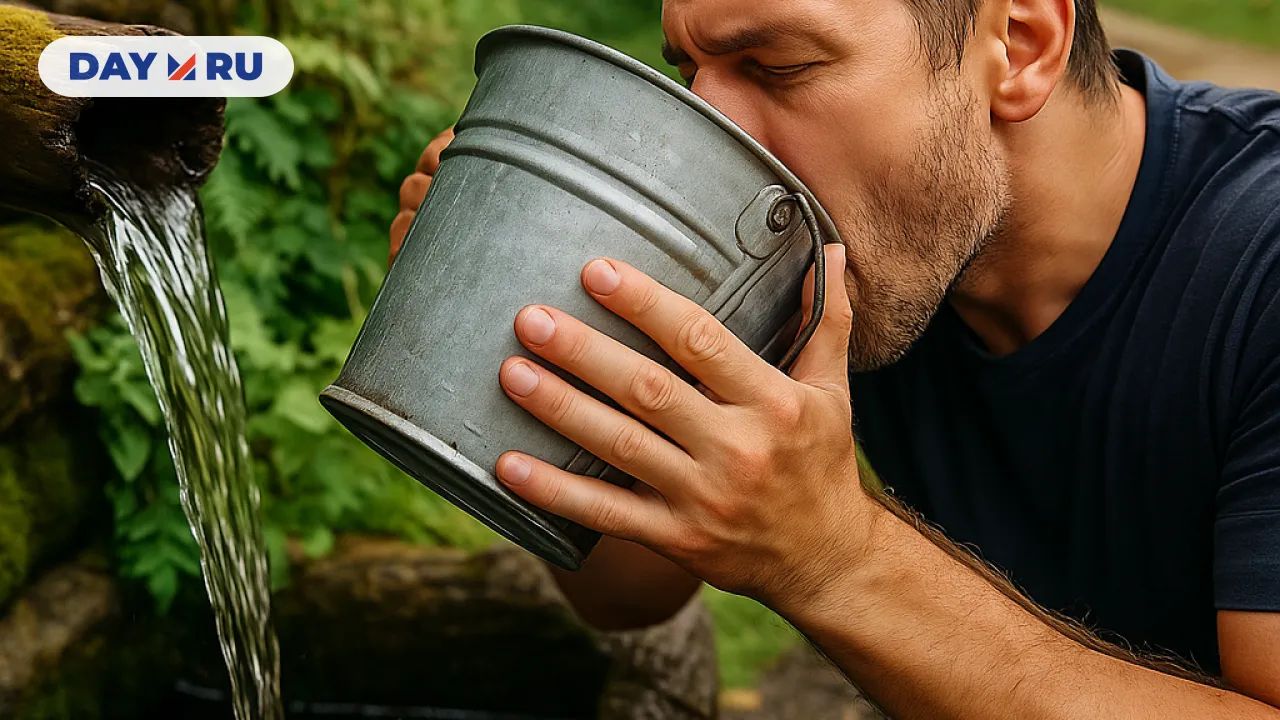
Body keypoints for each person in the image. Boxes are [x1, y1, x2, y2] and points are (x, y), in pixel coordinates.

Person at [390, 0, 1280, 716]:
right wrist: (526, 348)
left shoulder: (1257, 261)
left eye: (780, 67)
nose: (710, 129)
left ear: (1019, 44)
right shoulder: (875, 247)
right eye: (690, 72)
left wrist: (832, 557)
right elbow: (631, 593)